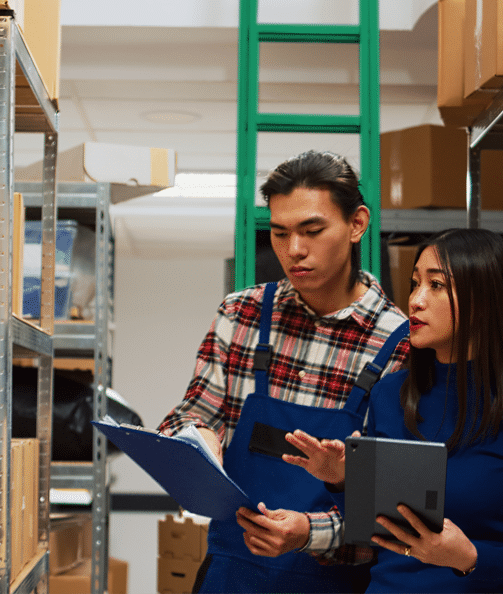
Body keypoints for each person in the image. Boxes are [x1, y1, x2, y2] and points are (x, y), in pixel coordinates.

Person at [241, 228, 503, 593]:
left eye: (436, 286)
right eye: (415, 284)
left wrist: (469, 557)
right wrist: (340, 479)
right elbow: (372, 530)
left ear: (484, 299)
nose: (415, 300)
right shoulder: (389, 395)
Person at [158, 150, 411, 594]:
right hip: (230, 572)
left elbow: (397, 501)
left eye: (312, 231)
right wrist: (194, 439)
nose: (294, 250)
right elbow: (192, 414)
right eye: (280, 233)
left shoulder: (401, 344)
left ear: (356, 224)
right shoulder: (243, 314)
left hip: (332, 581)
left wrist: (308, 533)